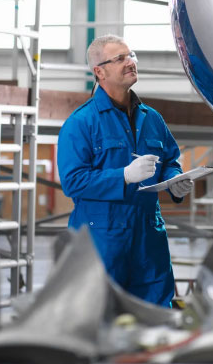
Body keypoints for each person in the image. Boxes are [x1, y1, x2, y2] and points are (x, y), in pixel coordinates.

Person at [58, 35, 193, 306]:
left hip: (149, 239)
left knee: (156, 318)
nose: (130, 62)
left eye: (131, 55)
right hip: (101, 241)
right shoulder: (81, 123)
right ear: (100, 71)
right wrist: (123, 176)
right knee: (99, 315)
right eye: (120, 58)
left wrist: (174, 180)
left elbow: (170, 161)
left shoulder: (152, 118)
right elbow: (73, 181)